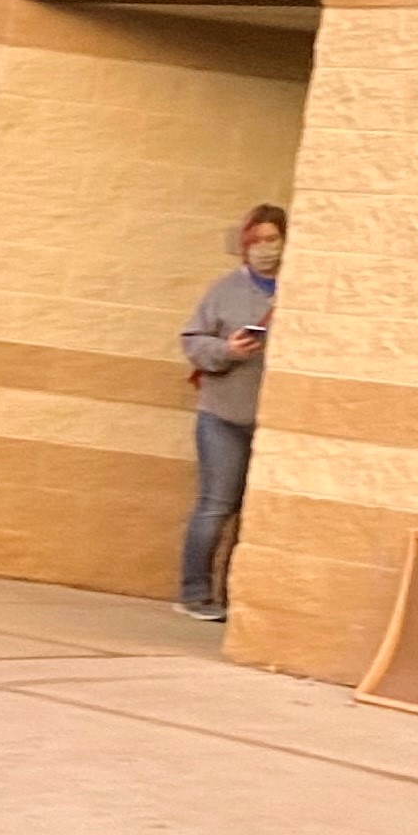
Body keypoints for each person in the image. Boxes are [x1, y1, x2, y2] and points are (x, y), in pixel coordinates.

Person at [177, 204, 286, 621]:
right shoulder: (225, 289)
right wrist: (228, 350)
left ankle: (234, 596)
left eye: (272, 239)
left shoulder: (297, 290)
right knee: (215, 505)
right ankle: (195, 594)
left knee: (253, 515)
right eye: (255, 240)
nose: (264, 248)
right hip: (222, 416)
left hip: (272, 422)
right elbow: (192, 340)